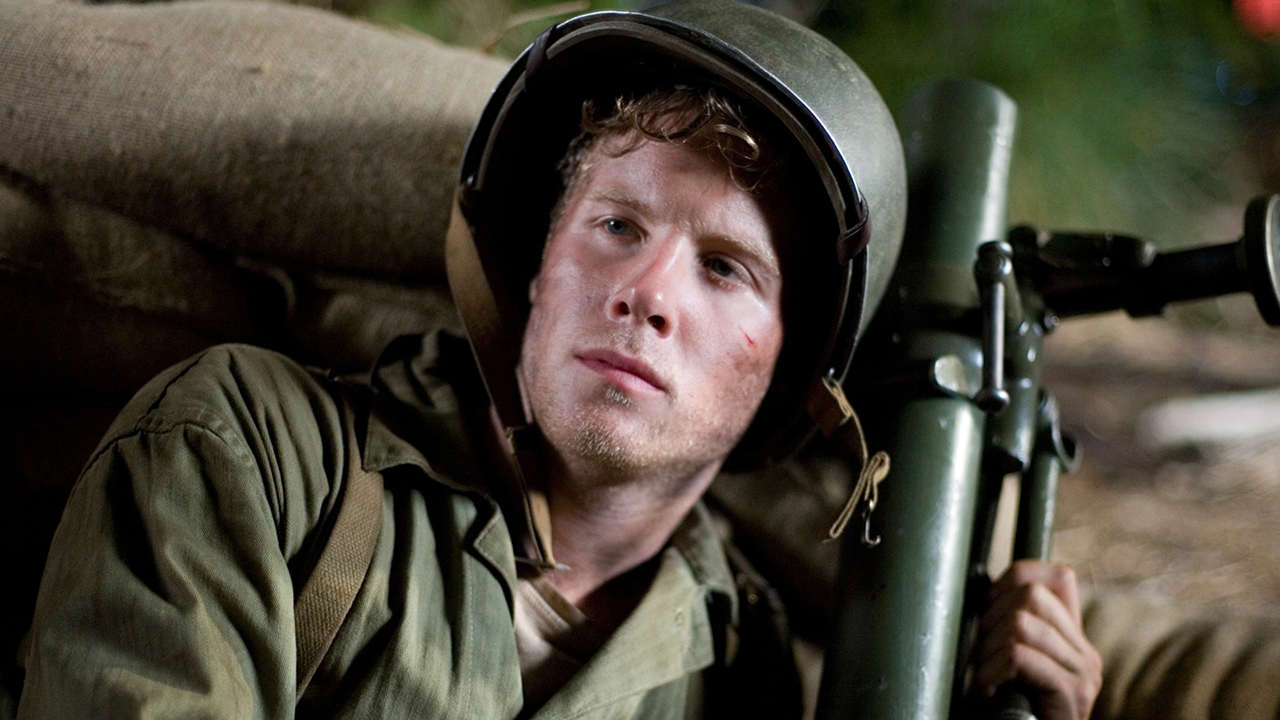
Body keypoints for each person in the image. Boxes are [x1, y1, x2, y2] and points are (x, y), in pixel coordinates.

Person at [16, 1, 1101, 718]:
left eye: (725, 269)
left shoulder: (738, 671)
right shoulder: (254, 454)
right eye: (617, 227)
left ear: (790, 372)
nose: (646, 292)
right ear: (539, 266)